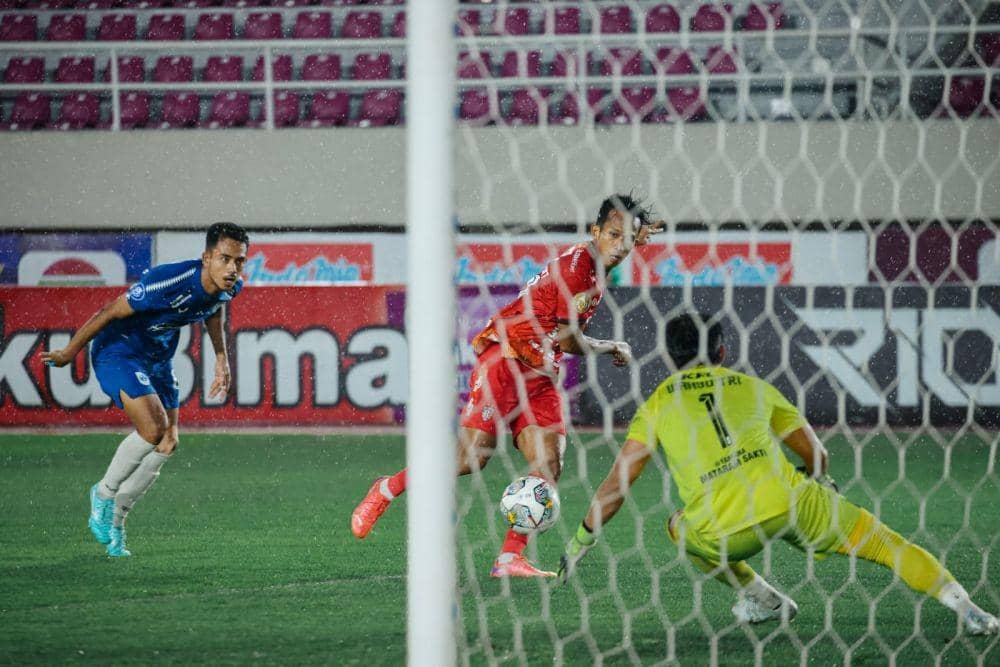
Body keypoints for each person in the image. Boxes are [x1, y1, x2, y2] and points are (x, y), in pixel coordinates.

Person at [558, 312, 999, 634]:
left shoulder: (657, 404)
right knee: (888, 546)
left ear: (671, 359)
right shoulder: (755, 388)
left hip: (724, 529)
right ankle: (969, 610)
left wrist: (580, 540)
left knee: (677, 526)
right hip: (794, 503)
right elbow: (818, 456)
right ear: (723, 351)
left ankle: (763, 598)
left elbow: (619, 483)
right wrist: (816, 482)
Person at [352, 194, 663, 577]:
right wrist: (611, 346)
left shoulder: (597, 266)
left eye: (627, 239)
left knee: (549, 463)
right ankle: (387, 488)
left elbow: (562, 338)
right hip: (507, 355)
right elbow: (569, 340)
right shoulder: (578, 270)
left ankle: (509, 557)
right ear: (595, 231)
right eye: (613, 235)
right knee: (470, 459)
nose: (620, 245)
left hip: (541, 369)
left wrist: (635, 233)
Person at [42, 222, 249, 558]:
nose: (232, 269)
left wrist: (221, 357)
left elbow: (214, 309)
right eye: (225, 259)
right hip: (119, 350)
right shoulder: (169, 281)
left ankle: (116, 525)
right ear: (206, 258)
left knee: (168, 441)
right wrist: (69, 352)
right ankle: (103, 493)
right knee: (153, 429)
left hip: (158, 357)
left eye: (239, 261)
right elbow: (109, 311)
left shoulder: (231, 285)